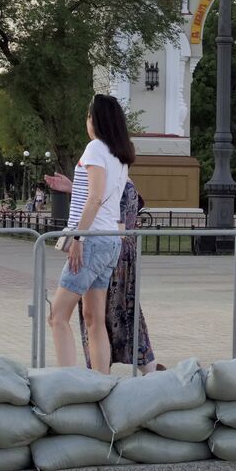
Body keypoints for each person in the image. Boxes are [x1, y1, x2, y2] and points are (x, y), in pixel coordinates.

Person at [46, 95, 134, 372]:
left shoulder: (95, 148)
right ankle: (101, 382)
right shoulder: (119, 154)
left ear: (95, 120)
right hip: (110, 241)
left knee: (57, 315)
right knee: (93, 317)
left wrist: (78, 238)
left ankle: (70, 381)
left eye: (88, 116)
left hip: (93, 239)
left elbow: (95, 198)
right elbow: (102, 196)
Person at [77, 180, 160, 373]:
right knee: (122, 313)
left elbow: (118, 228)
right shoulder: (122, 184)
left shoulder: (118, 185)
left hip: (110, 254)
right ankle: (149, 369)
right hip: (118, 254)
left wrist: (80, 237)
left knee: (103, 315)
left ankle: (101, 375)